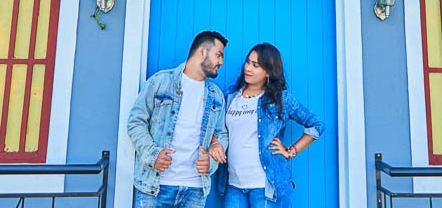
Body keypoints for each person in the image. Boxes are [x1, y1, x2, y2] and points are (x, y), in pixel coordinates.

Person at [209, 43, 324, 207]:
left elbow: (316, 124)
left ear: (268, 72)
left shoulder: (280, 99)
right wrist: (214, 142)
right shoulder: (230, 96)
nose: (248, 68)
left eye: (255, 65)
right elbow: (213, 126)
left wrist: (291, 150)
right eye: (248, 62)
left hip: (266, 186)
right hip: (234, 185)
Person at [127, 31, 230, 208]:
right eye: (218, 55)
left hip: (195, 190)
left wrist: (211, 162)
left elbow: (222, 134)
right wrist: (153, 154)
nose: (221, 62)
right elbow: (136, 122)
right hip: (156, 187)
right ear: (202, 52)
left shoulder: (216, 95)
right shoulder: (160, 82)